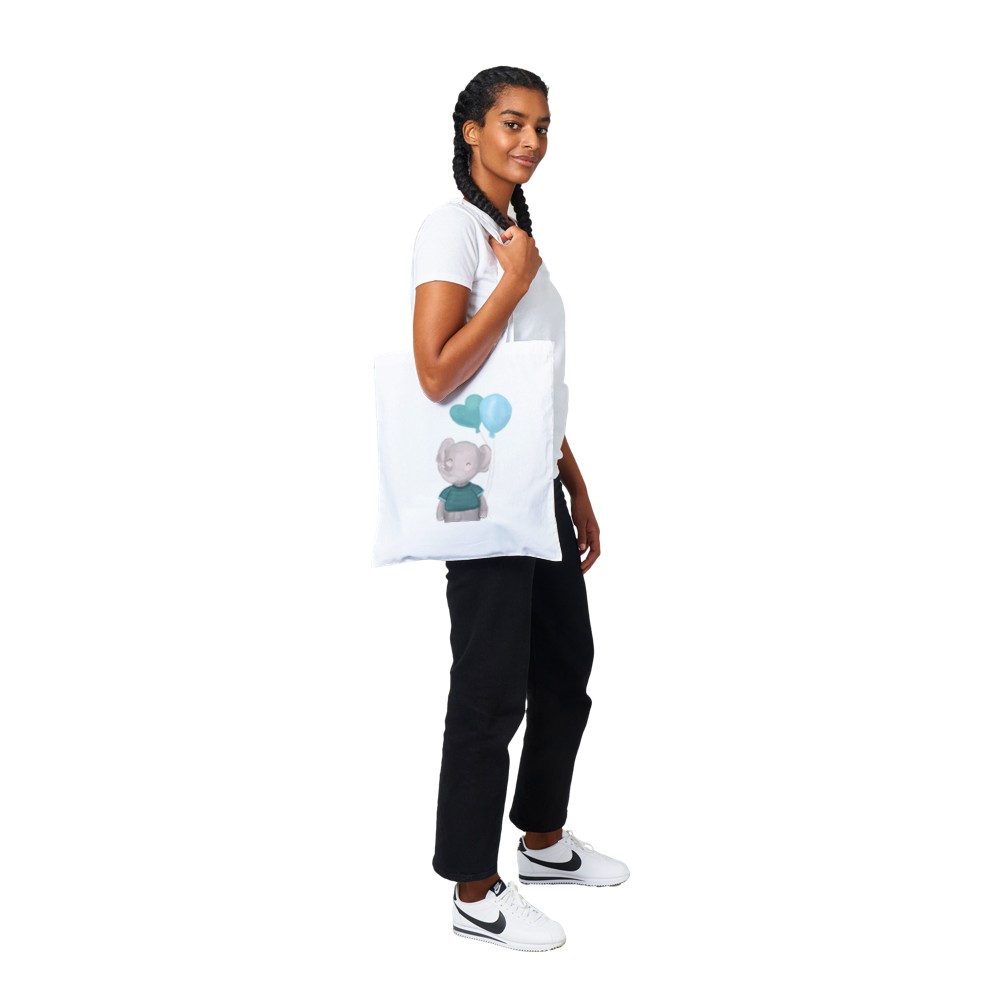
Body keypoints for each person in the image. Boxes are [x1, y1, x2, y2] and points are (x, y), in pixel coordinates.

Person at [410, 66, 629, 953]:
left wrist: (574, 479)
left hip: (537, 487)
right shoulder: (452, 232)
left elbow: (526, 381)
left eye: (541, 126)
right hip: (489, 502)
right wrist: (509, 284)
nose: (530, 141)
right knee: (490, 689)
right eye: (511, 123)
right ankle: (474, 889)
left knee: (565, 669)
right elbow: (436, 372)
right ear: (470, 130)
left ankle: (541, 840)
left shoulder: (513, 236)